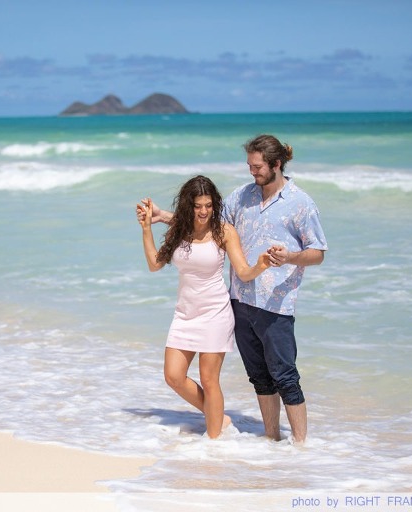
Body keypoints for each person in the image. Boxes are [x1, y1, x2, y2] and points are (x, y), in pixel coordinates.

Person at [139, 135, 328, 444]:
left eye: (257, 167)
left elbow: (318, 252)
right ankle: (271, 440)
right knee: (260, 378)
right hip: (240, 300)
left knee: (285, 376)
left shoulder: (300, 203)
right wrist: (162, 218)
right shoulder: (242, 197)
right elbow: (204, 225)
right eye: (250, 166)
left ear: (276, 164)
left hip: (276, 303)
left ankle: (301, 448)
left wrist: (289, 258)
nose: (252, 172)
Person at [137, 175, 271, 439]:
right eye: (198, 206)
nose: (204, 211)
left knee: (210, 381)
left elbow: (243, 272)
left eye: (208, 205)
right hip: (185, 314)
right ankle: (218, 418)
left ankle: (213, 445)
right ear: (189, 205)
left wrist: (260, 266)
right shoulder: (180, 231)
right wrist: (146, 229)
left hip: (215, 314)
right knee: (173, 376)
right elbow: (154, 264)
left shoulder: (223, 232)